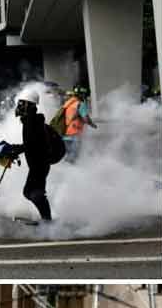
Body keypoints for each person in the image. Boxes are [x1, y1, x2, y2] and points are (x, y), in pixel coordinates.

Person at [9, 90, 53, 222]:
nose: (19, 107)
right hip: (38, 164)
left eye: (22, 103)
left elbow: (32, 144)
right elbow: (31, 143)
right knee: (33, 191)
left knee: (32, 192)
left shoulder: (31, 121)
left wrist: (17, 149)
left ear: (29, 105)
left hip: (39, 164)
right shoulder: (31, 120)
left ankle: (47, 220)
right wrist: (17, 148)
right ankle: (47, 219)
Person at [58, 86, 97, 162]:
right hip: (74, 135)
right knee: (73, 158)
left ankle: (64, 171)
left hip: (64, 136)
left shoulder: (67, 104)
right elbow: (86, 118)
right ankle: (71, 172)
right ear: (82, 95)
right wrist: (92, 124)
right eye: (84, 95)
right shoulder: (80, 104)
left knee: (67, 156)